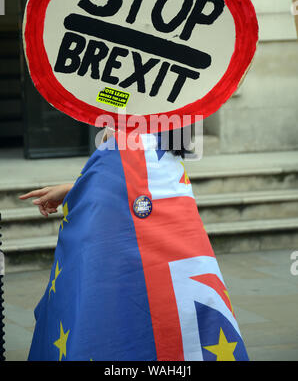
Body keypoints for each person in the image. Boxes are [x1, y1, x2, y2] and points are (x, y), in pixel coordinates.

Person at [19, 128, 249, 361]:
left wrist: (80, 186)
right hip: (187, 276)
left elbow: (109, 195)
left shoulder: (120, 142)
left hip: (128, 273)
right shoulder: (169, 144)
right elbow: (129, 188)